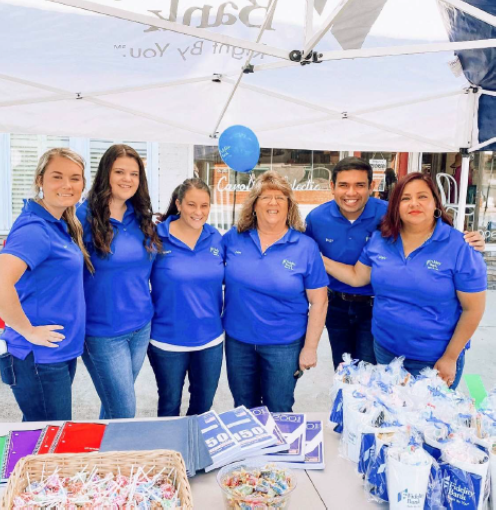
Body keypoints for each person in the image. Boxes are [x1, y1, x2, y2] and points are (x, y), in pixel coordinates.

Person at [305, 157, 485, 370]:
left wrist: (450, 357)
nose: (351, 193)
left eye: (360, 185)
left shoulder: (455, 244)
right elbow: (353, 275)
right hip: (358, 322)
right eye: (406, 198)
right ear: (332, 187)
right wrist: (310, 257)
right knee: (347, 374)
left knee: (370, 376)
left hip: (414, 340)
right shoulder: (372, 236)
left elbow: (472, 308)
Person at [223, 171, 328, 413]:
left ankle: (279, 452)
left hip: (284, 346)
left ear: (289, 206)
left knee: (279, 409)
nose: (273, 203)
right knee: (243, 410)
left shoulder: (305, 247)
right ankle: (250, 451)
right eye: (265, 197)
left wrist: (310, 347)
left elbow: (319, 302)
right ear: (254, 205)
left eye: (281, 198)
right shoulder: (234, 239)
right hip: (239, 342)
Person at [0, 148, 92, 421]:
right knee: (51, 440)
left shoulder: (58, 222)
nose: (67, 185)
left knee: (41, 434)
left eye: (75, 178)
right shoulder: (35, 229)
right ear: (40, 179)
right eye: (57, 176)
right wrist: (28, 331)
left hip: (56, 354)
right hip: (39, 359)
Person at [76, 144, 161, 419]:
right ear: (106, 175)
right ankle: (110, 460)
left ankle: (105, 460)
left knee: (114, 406)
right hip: (102, 333)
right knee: (124, 410)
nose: (127, 179)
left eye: (134, 174)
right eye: (120, 172)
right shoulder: (82, 217)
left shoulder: (141, 218)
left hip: (140, 327)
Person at [148, 179, 224, 417]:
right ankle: (169, 453)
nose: (198, 212)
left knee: (203, 407)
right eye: (192, 204)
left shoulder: (217, 238)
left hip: (210, 340)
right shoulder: (156, 238)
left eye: (204, 205)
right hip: (167, 340)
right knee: (169, 404)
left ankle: (195, 451)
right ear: (179, 204)